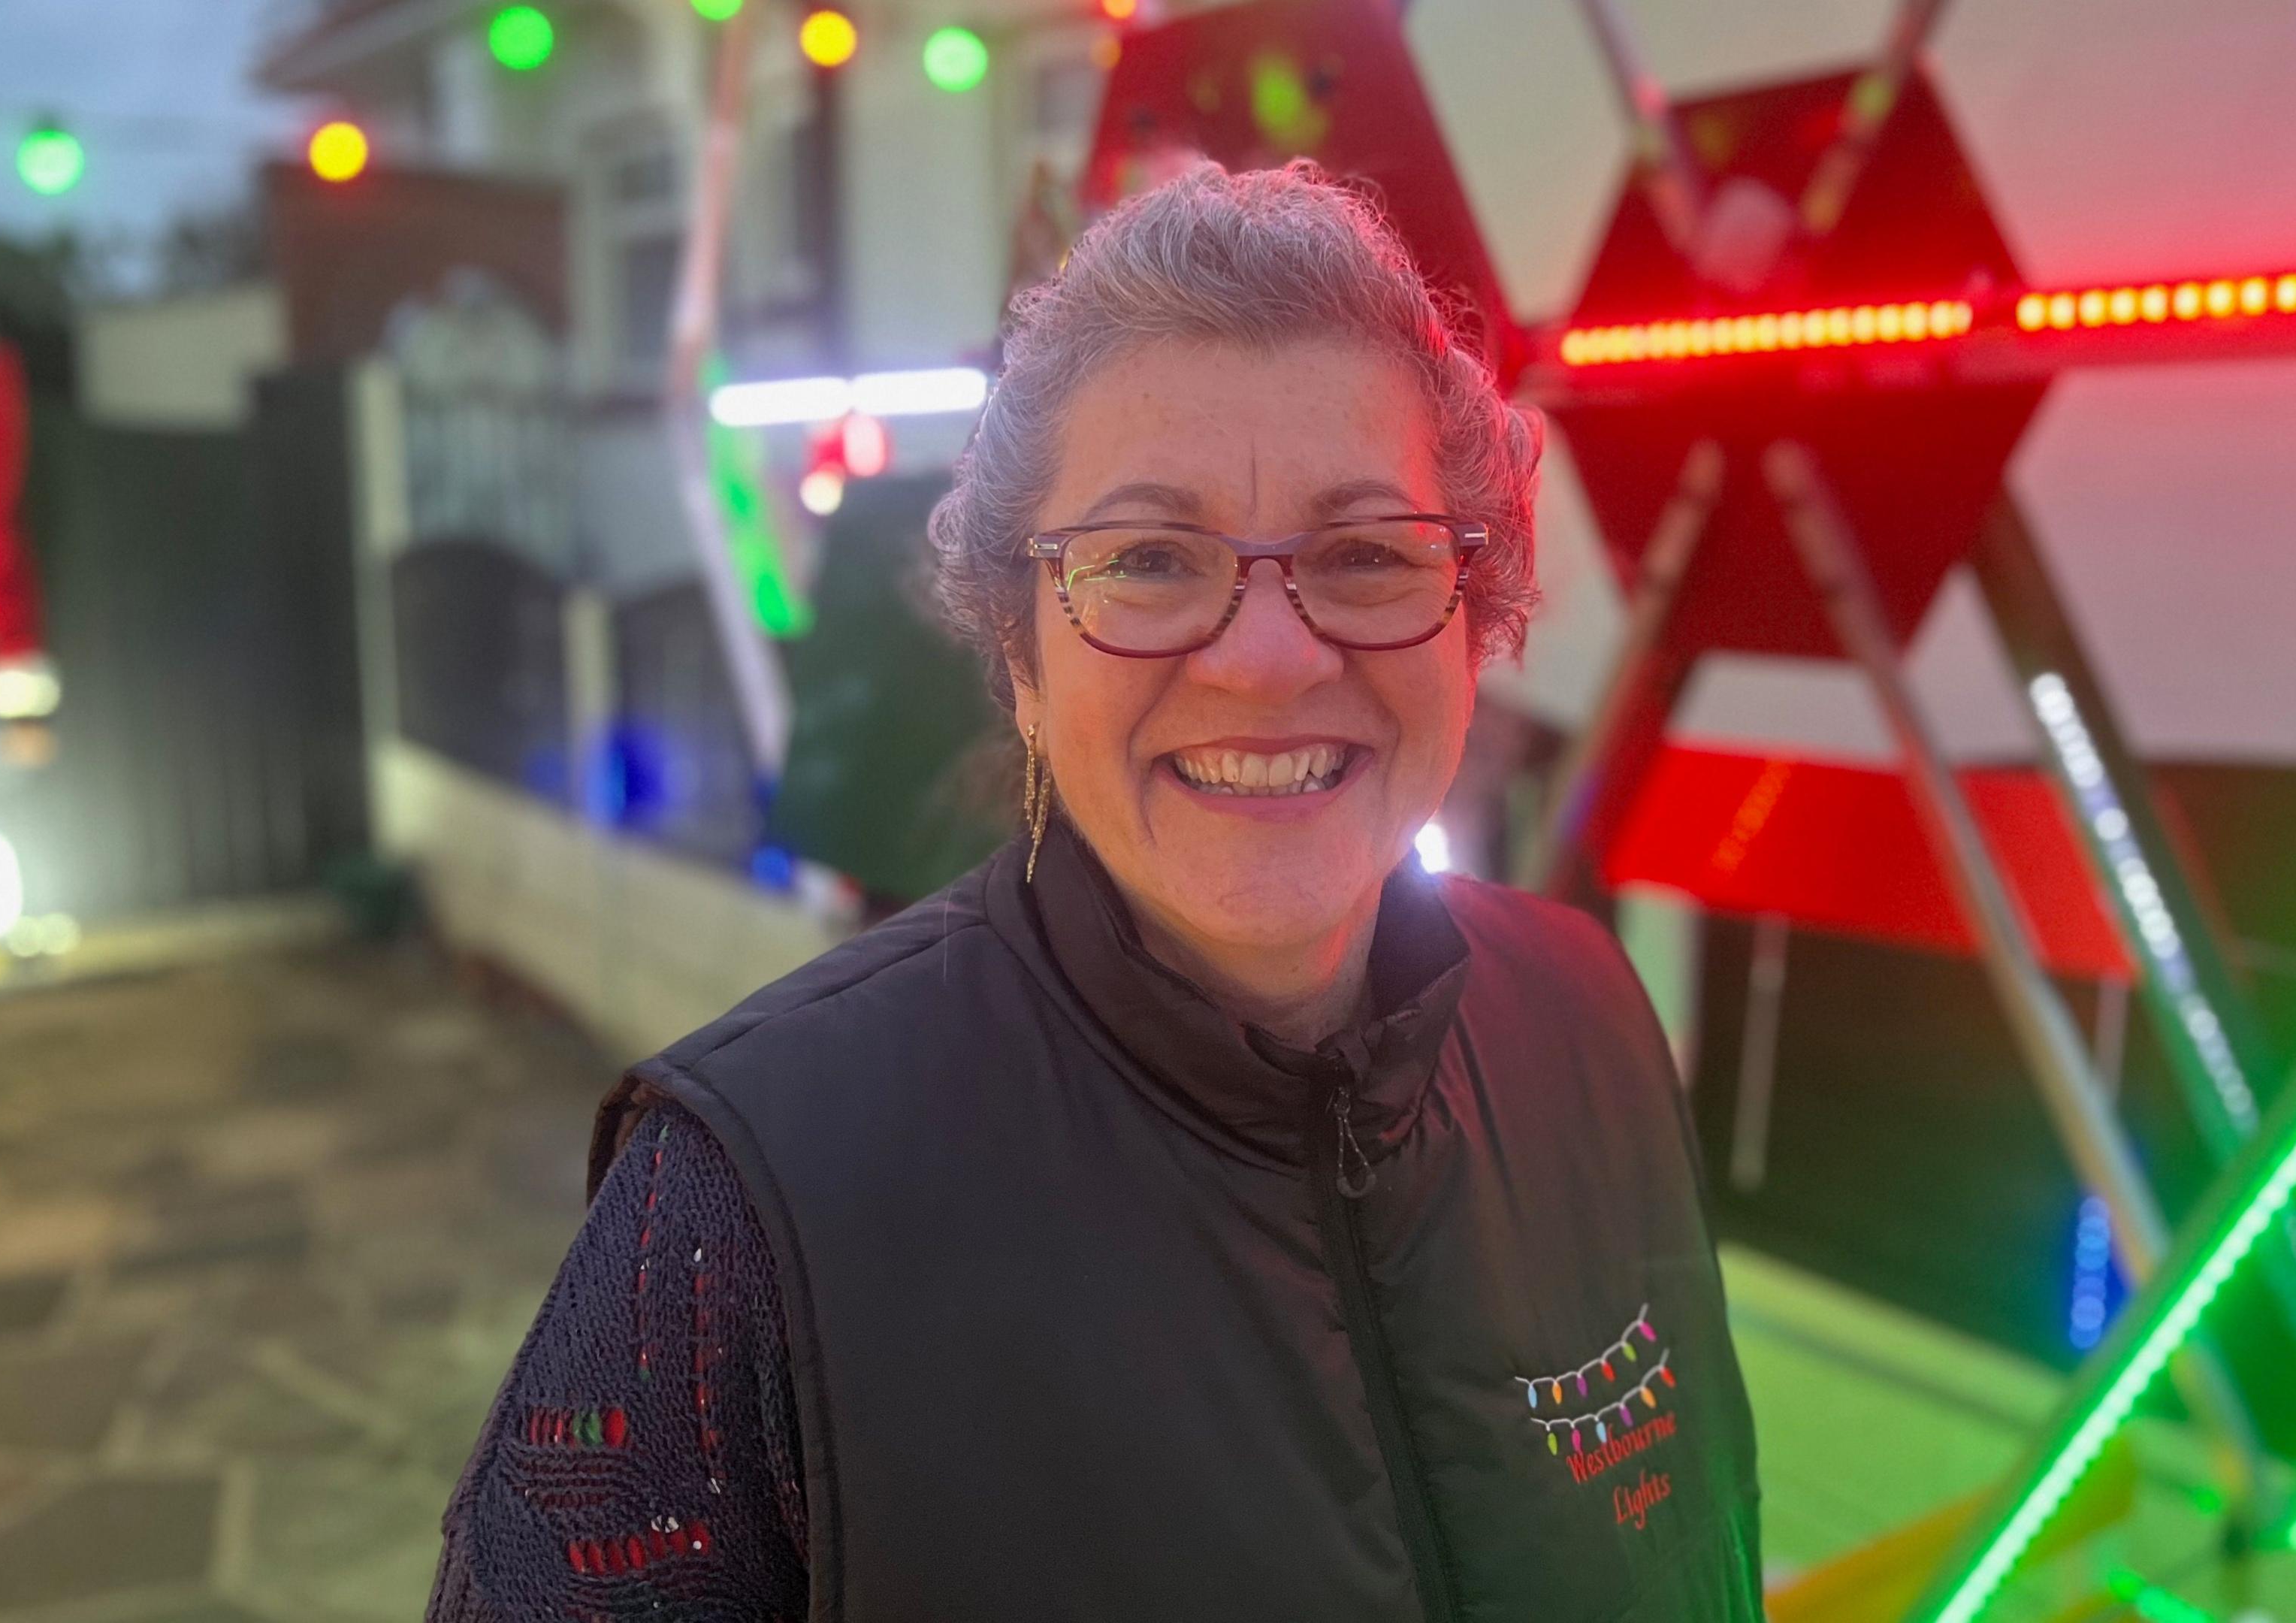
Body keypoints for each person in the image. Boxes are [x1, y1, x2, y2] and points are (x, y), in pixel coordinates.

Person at [428, 161, 1760, 1622]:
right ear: (1019, 654)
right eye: (1148, 559)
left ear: (1477, 614)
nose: (1267, 657)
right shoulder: (744, 1208)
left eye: (1368, 554)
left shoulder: (1588, 1019)